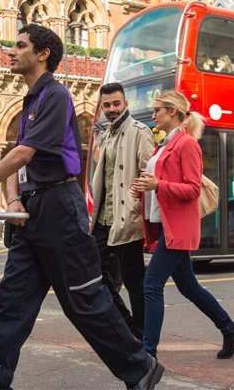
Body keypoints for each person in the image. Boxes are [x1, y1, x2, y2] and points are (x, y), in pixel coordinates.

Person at [0, 24, 163, 390]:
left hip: (59, 205)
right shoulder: (31, 101)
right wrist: (12, 200)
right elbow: (18, 157)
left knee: (83, 301)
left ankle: (141, 368)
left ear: (42, 55)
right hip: (31, 211)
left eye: (20, 46)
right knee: (10, 306)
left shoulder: (55, 95)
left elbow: (24, 153)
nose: (10, 51)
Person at [131, 90, 234, 360]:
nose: (153, 114)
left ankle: (148, 354)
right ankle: (229, 329)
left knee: (151, 285)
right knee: (189, 287)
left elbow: (193, 190)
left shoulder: (187, 144)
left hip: (177, 228)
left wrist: (158, 184)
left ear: (172, 111)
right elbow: (161, 186)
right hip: (163, 225)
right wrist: (144, 189)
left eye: (157, 109)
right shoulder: (163, 145)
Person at [90, 82, 156, 339]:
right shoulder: (106, 133)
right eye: (106, 105)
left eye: (116, 103)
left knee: (134, 281)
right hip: (103, 219)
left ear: (125, 104)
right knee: (92, 270)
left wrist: (134, 206)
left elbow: (148, 174)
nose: (111, 109)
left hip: (126, 217)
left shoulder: (139, 131)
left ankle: (140, 333)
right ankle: (125, 322)